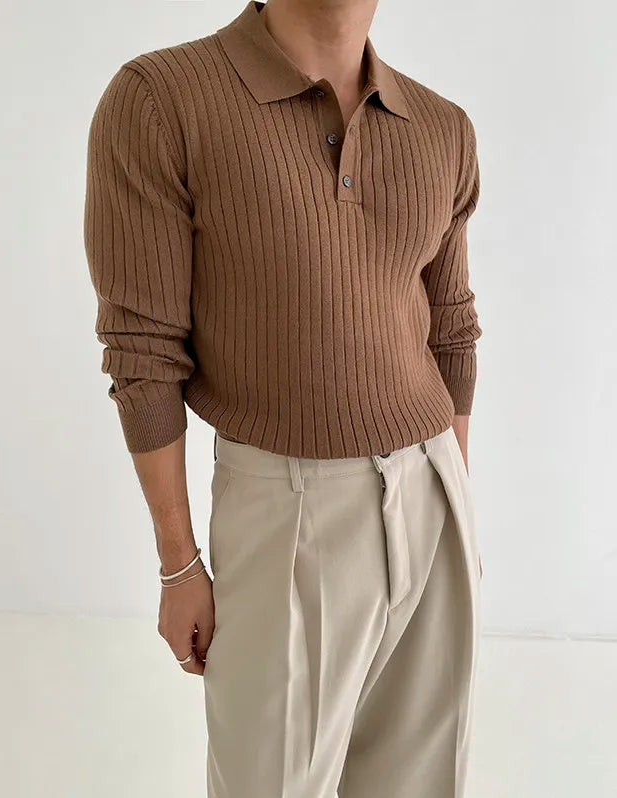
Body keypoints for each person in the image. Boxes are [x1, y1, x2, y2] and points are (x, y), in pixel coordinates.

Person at [83, 0, 484, 795]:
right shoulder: (161, 98)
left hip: (432, 488)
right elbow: (142, 351)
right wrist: (178, 564)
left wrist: (456, 510)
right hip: (286, 504)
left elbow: (451, 329)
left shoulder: (441, 125)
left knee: (419, 782)